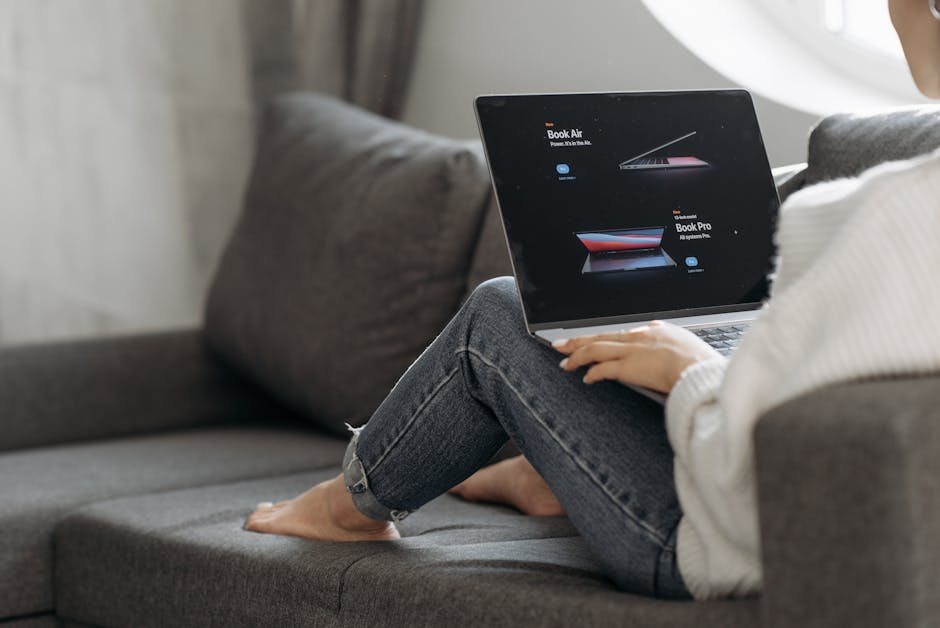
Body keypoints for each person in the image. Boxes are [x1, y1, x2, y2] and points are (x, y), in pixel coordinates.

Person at [245, 0, 940, 599]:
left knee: (498, 315)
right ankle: (553, 472)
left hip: (717, 546)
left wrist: (688, 370)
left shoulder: (893, 212)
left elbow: (773, 456)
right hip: (792, 519)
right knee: (640, 326)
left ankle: (351, 506)